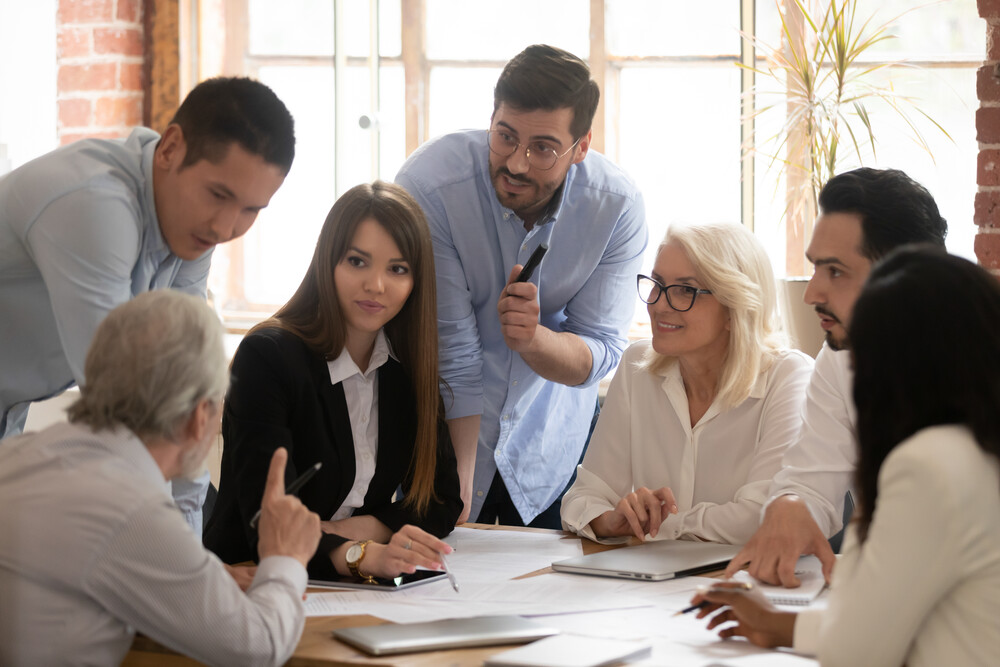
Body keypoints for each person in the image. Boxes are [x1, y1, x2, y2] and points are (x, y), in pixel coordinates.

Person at [0, 76, 295, 532]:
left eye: (250, 210)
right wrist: (180, 568)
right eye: (218, 195)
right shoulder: (94, 205)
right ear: (171, 148)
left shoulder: (192, 230)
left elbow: (182, 379)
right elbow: (128, 404)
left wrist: (190, 558)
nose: (224, 226)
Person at [692, 247, 1000, 667]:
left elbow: (857, 650)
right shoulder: (977, 448)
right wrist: (775, 623)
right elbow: (897, 618)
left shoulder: (926, 467)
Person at [395, 44, 647, 528]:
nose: (516, 164)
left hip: (547, 454)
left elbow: (599, 352)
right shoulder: (430, 185)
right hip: (439, 445)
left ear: (582, 146)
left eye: (544, 148)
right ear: (491, 118)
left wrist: (533, 340)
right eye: (505, 136)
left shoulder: (615, 208)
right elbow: (454, 350)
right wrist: (460, 490)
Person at [0, 290, 321, 666]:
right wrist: (284, 557)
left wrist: (192, 572)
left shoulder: (20, 454)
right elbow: (258, 647)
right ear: (202, 415)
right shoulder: (129, 509)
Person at [204, 181, 462, 582]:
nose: (376, 285)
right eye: (357, 261)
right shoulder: (267, 358)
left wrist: (361, 531)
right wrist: (359, 556)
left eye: (397, 269)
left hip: (352, 586)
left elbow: (442, 501)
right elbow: (264, 518)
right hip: (250, 576)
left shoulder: (405, 371)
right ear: (328, 262)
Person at [724, 167, 947, 586]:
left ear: (905, 277)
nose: (811, 295)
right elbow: (812, 479)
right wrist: (789, 504)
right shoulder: (839, 359)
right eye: (815, 269)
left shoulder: (980, 365)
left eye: (836, 272)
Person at [560, 222, 812, 544]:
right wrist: (614, 520)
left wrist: (660, 524)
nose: (658, 304)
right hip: (650, 586)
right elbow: (582, 499)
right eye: (658, 284)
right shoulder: (637, 367)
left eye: (685, 290)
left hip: (744, 586)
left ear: (735, 309)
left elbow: (761, 518)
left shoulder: (789, 378)